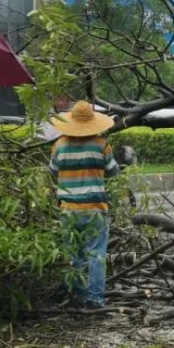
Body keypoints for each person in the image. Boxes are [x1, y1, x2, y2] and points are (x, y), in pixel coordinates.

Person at [49, 100, 120, 309]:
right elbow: (113, 171)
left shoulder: (59, 145)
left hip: (69, 210)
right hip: (95, 209)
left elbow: (53, 171)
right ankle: (95, 299)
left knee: (73, 255)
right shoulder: (101, 145)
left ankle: (75, 296)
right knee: (96, 254)